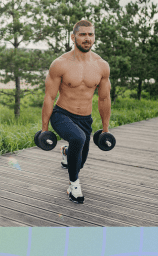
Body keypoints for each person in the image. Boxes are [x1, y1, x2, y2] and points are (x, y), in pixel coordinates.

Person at [41, 20, 111, 204]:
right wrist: (44, 129)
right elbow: (49, 97)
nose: (87, 38)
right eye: (83, 34)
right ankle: (74, 186)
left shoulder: (101, 66)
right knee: (78, 139)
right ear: (73, 37)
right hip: (62, 114)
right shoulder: (60, 64)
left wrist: (105, 129)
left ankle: (66, 152)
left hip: (85, 119)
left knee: (80, 160)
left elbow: (104, 99)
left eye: (90, 34)